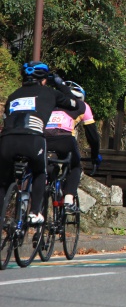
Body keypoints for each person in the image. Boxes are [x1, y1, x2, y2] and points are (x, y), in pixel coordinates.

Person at [0, 61, 80, 225]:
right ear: (44, 79)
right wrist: (61, 85)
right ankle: (35, 212)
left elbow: (6, 117)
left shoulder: (13, 95)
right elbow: (75, 104)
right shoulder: (50, 92)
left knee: (3, 180)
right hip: (33, 139)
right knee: (39, 172)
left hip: (6, 140)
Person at [44, 81, 102, 212]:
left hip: (43, 138)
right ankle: (69, 199)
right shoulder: (83, 106)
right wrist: (94, 156)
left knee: (47, 163)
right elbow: (93, 137)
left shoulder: (50, 103)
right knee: (75, 166)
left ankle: (44, 185)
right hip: (65, 139)